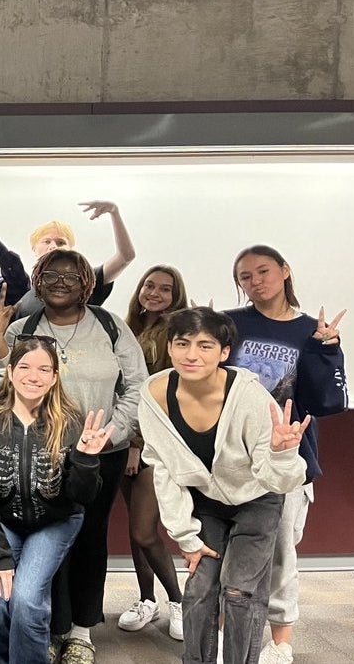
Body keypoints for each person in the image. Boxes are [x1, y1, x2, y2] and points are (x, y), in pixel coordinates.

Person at [0, 250, 147, 664]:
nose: (60, 282)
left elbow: (137, 386)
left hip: (99, 453)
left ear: (86, 284)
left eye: (71, 275)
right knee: (48, 536)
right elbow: (2, 385)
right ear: (37, 280)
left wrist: (112, 432)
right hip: (37, 451)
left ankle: (81, 630)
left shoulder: (110, 327)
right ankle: (54, 626)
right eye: (51, 274)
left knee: (90, 538)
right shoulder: (23, 328)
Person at [139, 308, 309, 663]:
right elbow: (164, 469)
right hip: (207, 502)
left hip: (258, 498)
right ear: (170, 347)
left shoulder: (248, 395)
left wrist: (282, 453)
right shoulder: (154, 394)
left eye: (205, 345)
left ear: (224, 352)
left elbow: (277, 478)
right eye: (182, 343)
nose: (192, 354)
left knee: (239, 591)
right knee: (199, 589)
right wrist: (185, 536)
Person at [224, 246, 347, 664]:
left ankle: (280, 642)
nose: (255, 281)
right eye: (245, 276)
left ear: (285, 271)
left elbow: (327, 401)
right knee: (227, 551)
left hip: (289, 456)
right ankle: (229, 636)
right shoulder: (230, 324)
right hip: (232, 455)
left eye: (263, 271)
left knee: (281, 553)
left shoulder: (313, 330)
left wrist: (328, 349)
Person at [0, 336, 109, 664]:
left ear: (55, 376)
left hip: (56, 521)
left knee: (28, 600)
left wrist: (87, 459)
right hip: (4, 522)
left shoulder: (71, 420)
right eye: (26, 367)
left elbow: (82, 497)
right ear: (11, 372)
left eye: (45, 369)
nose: (35, 376)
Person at [116, 265, 189, 640]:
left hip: (152, 446)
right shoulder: (127, 328)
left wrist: (135, 445)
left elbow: (159, 398)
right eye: (149, 285)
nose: (155, 293)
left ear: (177, 294)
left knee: (145, 531)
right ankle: (147, 599)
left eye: (165, 288)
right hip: (123, 440)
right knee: (135, 530)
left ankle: (178, 603)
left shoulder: (176, 333)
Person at [14, 200, 137, 318]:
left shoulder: (84, 281)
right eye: (46, 241)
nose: (53, 246)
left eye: (60, 242)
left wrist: (114, 212)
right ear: (34, 249)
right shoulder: (25, 300)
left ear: (70, 249)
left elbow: (125, 257)